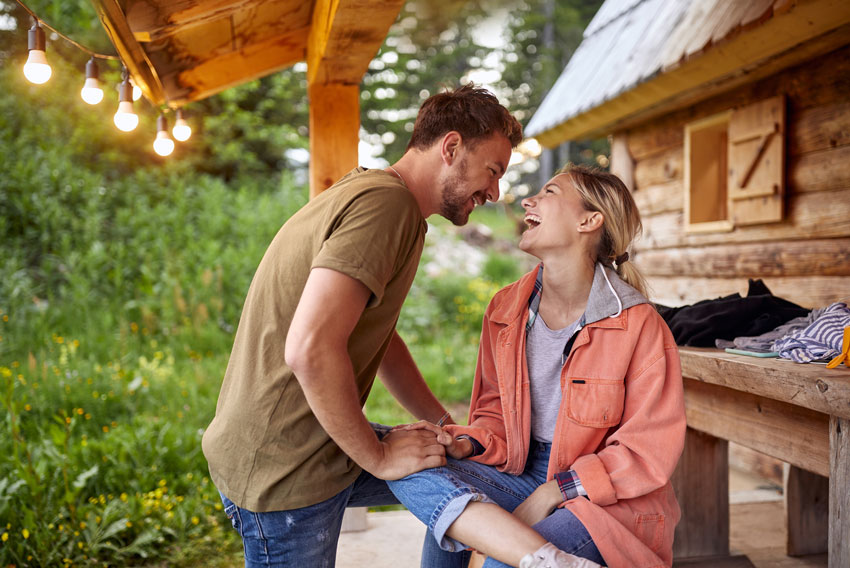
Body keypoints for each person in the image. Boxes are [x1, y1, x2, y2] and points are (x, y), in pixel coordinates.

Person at [201, 83, 523, 567]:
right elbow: (310, 348)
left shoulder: (398, 210)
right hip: (284, 464)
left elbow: (376, 335)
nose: (495, 192)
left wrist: (441, 425)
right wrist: (377, 456)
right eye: (492, 171)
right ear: (451, 147)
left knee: (457, 472)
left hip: (314, 441)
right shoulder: (383, 206)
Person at [388, 164, 687, 568]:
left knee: (502, 562)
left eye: (549, 192)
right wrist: (465, 443)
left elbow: (646, 451)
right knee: (408, 458)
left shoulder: (638, 324)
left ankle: (541, 556)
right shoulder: (505, 308)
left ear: (589, 220)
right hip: (520, 465)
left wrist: (554, 492)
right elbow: (494, 412)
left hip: (605, 499)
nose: (529, 200)